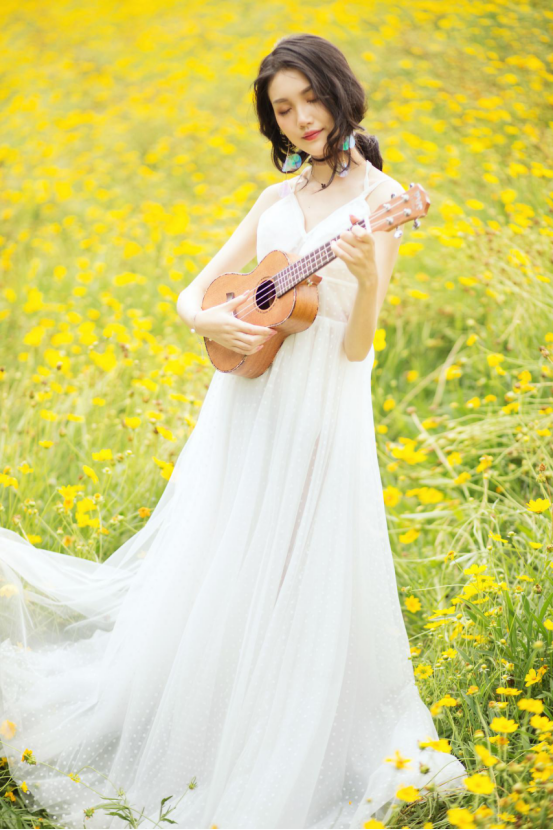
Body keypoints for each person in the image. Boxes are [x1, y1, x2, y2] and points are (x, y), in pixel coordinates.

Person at [0, 32, 467, 830]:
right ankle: (202, 715)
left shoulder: (381, 200)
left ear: (339, 93)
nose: (301, 119)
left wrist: (364, 279)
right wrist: (211, 321)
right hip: (248, 399)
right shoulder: (273, 201)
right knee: (227, 550)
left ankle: (280, 727)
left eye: (310, 99)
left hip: (322, 407)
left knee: (297, 563)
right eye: (282, 109)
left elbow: (357, 350)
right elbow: (193, 294)